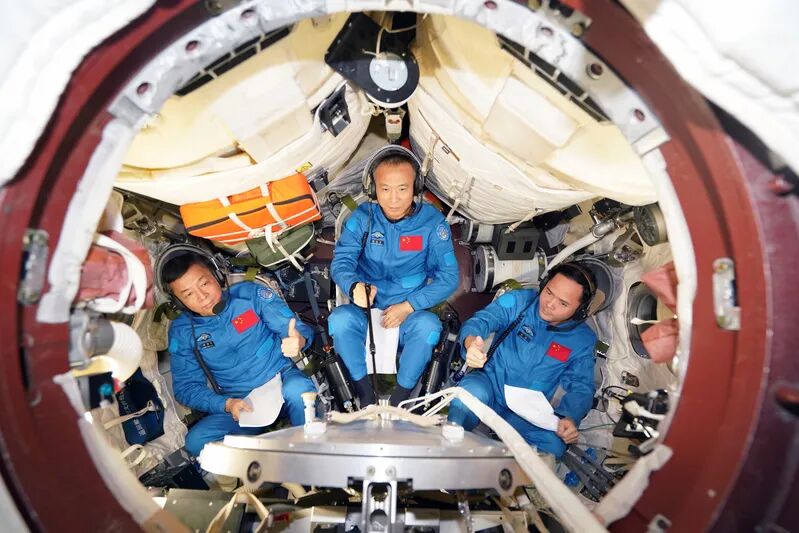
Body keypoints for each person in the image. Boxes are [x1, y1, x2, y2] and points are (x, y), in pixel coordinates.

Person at [329, 145, 459, 407]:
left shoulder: (432, 223)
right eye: (385, 189)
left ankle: (401, 400)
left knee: (429, 328)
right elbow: (341, 261)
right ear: (373, 189)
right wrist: (353, 286)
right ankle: (365, 395)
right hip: (366, 307)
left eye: (403, 189)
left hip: (409, 311)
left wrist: (409, 306)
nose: (394, 199)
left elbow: (449, 276)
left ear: (416, 188)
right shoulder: (362, 218)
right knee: (339, 321)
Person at [159, 247, 316, 457]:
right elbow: (186, 388)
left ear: (216, 276)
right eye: (188, 294)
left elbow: (297, 330)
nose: (202, 297)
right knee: (197, 442)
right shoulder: (182, 332)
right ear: (179, 302)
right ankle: (264, 465)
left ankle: (309, 456)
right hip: (240, 404)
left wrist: (299, 339)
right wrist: (225, 404)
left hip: (281, 380)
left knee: (299, 391)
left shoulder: (250, 295)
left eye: (204, 283)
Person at [448, 262, 599, 461]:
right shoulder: (519, 301)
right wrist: (471, 344)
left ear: (580, 310)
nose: (550, 304)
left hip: (527, 413)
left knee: (553, 446)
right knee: (467, 397)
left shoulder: (582, 340)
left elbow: (581, 386)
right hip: (489, 386)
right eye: (549, 292)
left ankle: (502, 475)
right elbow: (482, 320)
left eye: (563, 303)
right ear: (544, 284)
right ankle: (450, 454)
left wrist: (570, 417)